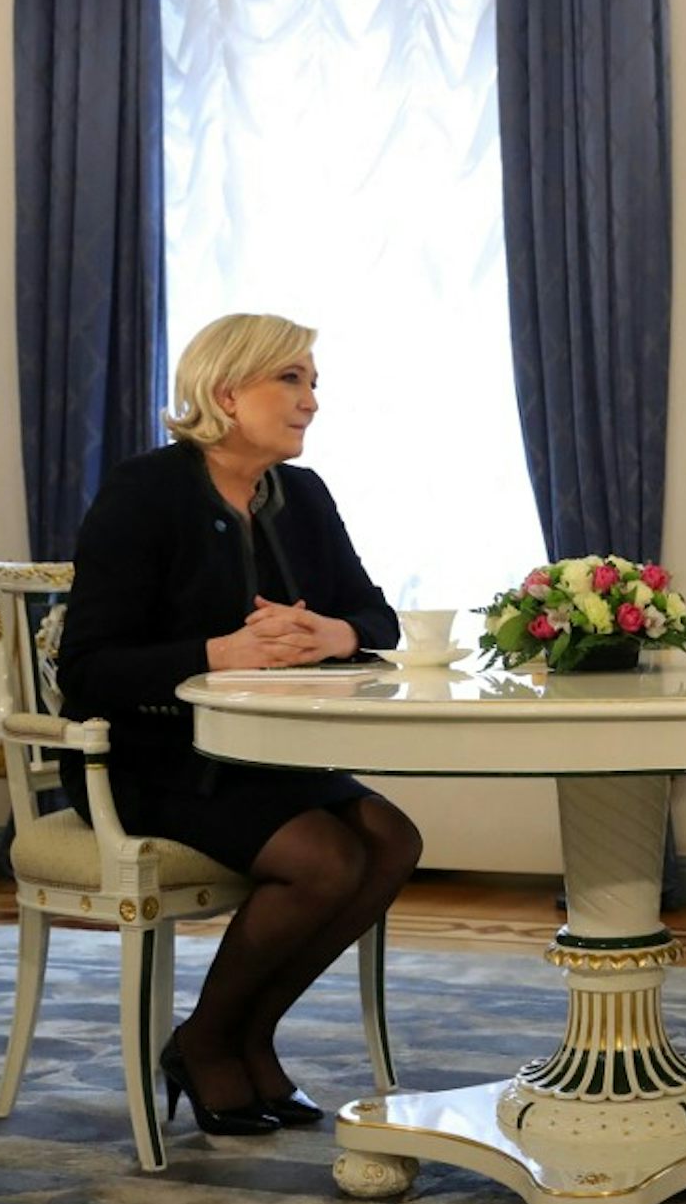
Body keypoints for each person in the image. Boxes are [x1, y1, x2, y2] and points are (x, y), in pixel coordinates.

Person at [56, 313, 423, 1136]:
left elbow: (377, 616)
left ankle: (244, 1035)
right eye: (290, 379)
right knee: (325, 859)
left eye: (313, 382)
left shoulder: (304, 495)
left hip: (265, 755)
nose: (311, 400)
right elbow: (85, 669)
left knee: (394, 839)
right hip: (147, 758)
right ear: (226, 393)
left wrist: (336, 633)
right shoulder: (144, 491)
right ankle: (210, 1043)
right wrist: (218, 652)